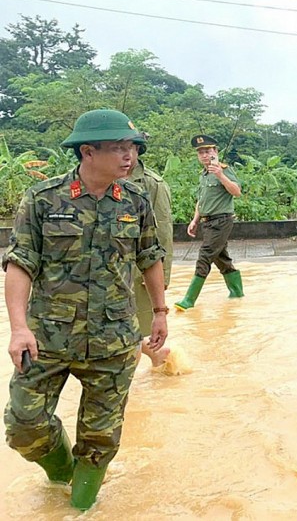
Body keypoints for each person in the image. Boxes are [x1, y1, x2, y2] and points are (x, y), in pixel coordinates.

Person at [3, 109, 167, 511]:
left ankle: (79, 508)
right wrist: (18, 327)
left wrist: (160, 312)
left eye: (131, 147)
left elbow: (149, 257)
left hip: (113, 340)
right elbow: (20, 262)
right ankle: (61, 476)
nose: (129, 156)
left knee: (99, 441)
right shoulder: (43, 200)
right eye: (118, 148)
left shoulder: (136, 200)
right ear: (87, 152)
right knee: (24, 426)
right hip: (48, 337)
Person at [174, 135, 243, 310]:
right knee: (221, 258)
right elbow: (201, 200)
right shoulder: (203, 175)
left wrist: (220, 175)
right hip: (207, 221)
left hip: (222, 220)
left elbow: (236, 192)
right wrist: (195, 220)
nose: (204, 155)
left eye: (208, 151)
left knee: (205, 255)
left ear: (215, 152)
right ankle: (237, 293)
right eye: (201, 152)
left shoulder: (224, 170)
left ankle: (189, 300)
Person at [126, 137, 174, 367]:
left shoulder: (152, 184)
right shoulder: (100, 180)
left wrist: (161, 275)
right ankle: (157, 355)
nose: (125, 155)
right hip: (109, 271)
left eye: (130, 149)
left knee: (134, 328)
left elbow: (163, 230)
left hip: (140, 270)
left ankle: (132, 396)